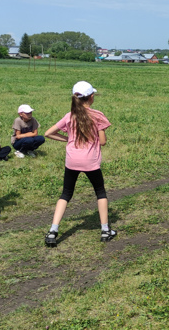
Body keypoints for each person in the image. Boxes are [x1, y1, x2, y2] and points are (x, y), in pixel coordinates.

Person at [43, 81, 115, 247]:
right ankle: (105, 230)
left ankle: (53, 230)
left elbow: (48, 133)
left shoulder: (69, 116)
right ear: (91, 98)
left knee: (66, 193)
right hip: (91, 162)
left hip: (72, 160)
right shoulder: (97, 115)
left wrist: (68, 139)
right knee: (100, 192)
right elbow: (103, 142)